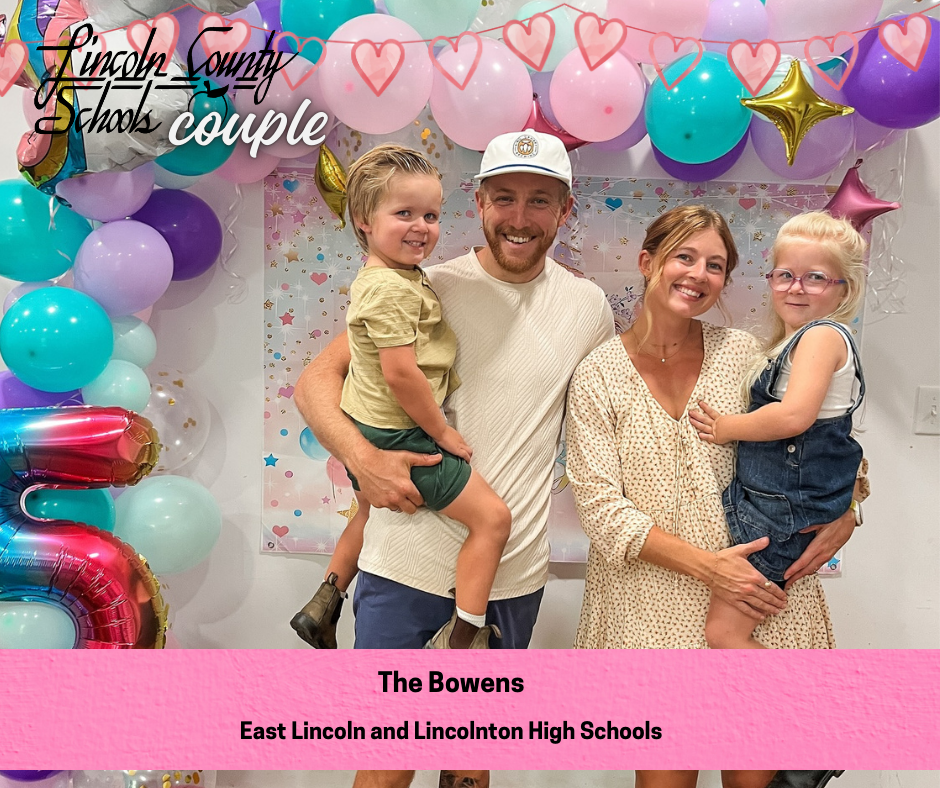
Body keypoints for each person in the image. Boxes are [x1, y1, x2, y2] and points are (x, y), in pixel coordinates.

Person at [292, 129, 615, 651]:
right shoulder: (425, 286)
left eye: (539, 200)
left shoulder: (588, 307)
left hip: (512, 580)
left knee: (481, 734)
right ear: (481, 201)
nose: (519, 217)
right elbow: (313, 384)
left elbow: (602, 423)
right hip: (402, 566)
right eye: (504, 197)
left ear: (564, 209)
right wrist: (363, 458)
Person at [565, 204, 860, 649]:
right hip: (643, 611)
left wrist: (851, 509)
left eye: (715, 265)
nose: (699, 274)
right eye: (685, 257)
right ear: (647, 263)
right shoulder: (598, 375)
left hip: (759, 602)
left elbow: (818, 439)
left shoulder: (745, 357)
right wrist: (709, 567)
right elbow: (601, 510)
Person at [290, 144, 510, 650]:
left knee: (367, 510)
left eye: (431, 214)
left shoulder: (400, 278)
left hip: (369, 423)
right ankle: (466, 634)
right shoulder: (390, 289)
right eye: (404, 213)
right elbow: (402, 375)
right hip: (398, 429)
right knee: (492, 519)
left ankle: (324, 603)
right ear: (364, 220)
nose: (422, 226)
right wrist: (440, 431)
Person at [690, 212, 867, 649]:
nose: (796, 287)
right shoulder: (790, 342)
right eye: (785, 274)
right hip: (775, 505)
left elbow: (794, 418)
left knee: (724, 634)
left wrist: (727, 427)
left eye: (816, 278)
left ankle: (796, 709)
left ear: (844, 288)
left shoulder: (822, 337)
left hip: (780, 514)